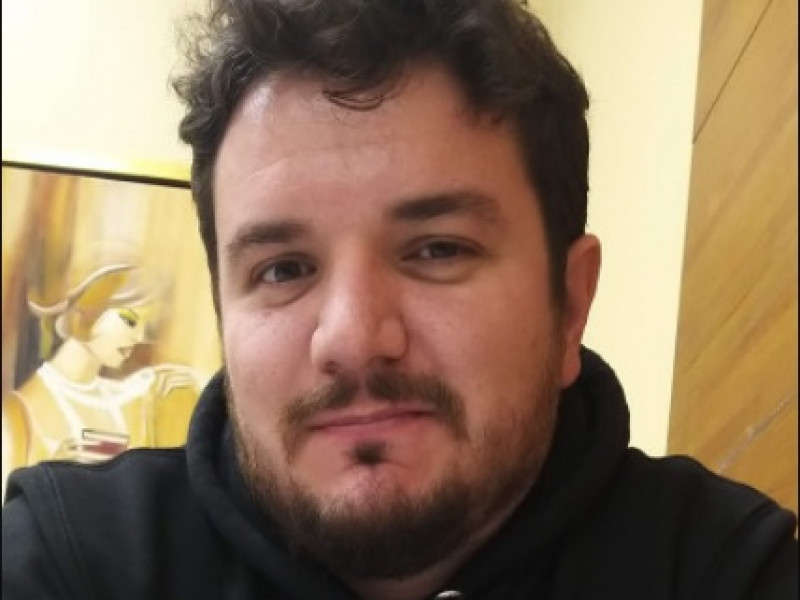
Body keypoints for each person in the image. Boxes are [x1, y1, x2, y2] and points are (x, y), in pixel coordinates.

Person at [2, 1, 796, 598]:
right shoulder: (75, 561)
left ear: (570, 306)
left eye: (437, 250)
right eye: (283, 269)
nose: (352, 337)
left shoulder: (725, 570)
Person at [1, 255, 203, 499]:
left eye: (145, 326)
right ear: (90, 309)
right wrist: (49, 478)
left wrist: (198, 384)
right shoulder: (18, 415)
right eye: (129, 320)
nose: (139, 337)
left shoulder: (136, 401)